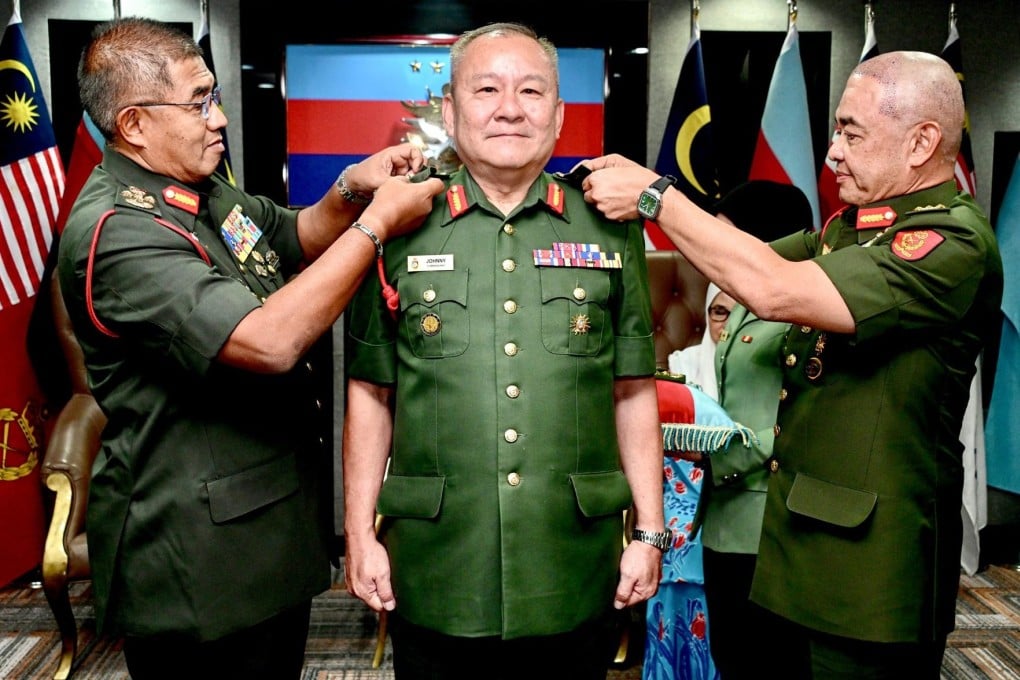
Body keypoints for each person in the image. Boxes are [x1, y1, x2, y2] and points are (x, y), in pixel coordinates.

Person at [581, 51, 1003, 677]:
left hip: (870, 584)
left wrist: (653, 195)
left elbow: (775, 288)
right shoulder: (852, 230)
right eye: (836, 129)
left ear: (921, 142)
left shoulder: (950, 244)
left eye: (851, 131)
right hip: (791, 558)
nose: (833, 152)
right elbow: (740, 261)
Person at [57, 17, 443, 679]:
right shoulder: (119, 230)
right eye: (199, 101)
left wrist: (353, 188)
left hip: (262, 534)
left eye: (214, 96)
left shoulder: (196, 191)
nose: (219, 117)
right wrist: (378, 226)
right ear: (135, 124)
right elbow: (268, 342)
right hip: (197, 561)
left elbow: (293, 237)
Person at [342, 22, 665, 679]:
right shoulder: (398, 223)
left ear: (558, 114)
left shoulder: (609, 225)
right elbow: (371, 393)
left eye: (531, 90)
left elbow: (632, 387)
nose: (510, 107)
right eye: (486, 89)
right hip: (437, 564)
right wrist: (359, 535)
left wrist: (649, 534)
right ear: (451, 111)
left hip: (572, 561)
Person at [699, 181, 813, 680]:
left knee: (772, 661)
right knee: (732, 655)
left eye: (727, 238)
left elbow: (809, 420)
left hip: (772, 520)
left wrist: (724, 452)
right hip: (723, 519)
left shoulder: (807, 305)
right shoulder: (740, 302)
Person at [667, 282, 734, 399]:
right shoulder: (683, 364)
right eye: (720, 312)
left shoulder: (765, 364)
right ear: (707, 316)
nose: (728, 325)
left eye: (740, 315)